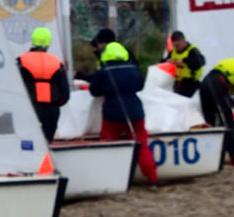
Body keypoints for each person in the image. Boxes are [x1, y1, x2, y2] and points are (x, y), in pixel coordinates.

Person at [88, 34, 159, 187]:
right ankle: (152, 178)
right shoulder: (133, 69)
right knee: (142, 146)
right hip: (135, 111)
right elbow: (140, 86)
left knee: (108, 144)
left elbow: (94, 91)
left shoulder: (103, 70)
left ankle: (109, 179)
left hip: (112, 112)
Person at [15, 25, 71, 145]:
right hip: (51, 110)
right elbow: (65, 93)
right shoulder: (57, 63)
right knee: (46, 142)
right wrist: (57, 103)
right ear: (48, 44)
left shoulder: (20, 61)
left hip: (28, 108)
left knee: (27, 142)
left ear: (33, 41)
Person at [164, 30, 205, 98]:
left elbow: (200, 62)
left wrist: (184, 61)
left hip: (191, 84)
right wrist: (167, 61)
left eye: (177, 45)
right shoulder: (173, 52)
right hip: (178, 84)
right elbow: (162, 62)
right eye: (174, 45)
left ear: (183, 41)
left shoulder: (192, 50)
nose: (176, 48)